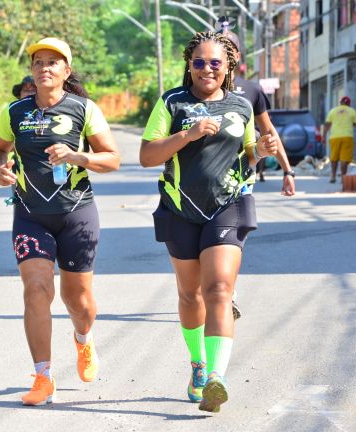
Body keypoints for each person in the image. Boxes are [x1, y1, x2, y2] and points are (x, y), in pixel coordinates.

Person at [139, 31, 277, 413]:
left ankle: (216, 377)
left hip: (227, 205)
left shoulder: (240, 105)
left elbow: (248, 155)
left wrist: (260, 152)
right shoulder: (172, 102)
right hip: (180, 208)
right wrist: (188, 133)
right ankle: (198, 364)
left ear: (228, 65)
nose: (207, 69)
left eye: (215, 62)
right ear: (189, 65)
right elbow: (148, 156)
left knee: (217, 288)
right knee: (190, 294)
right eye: (199, 62)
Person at [0, 37, 120, 406]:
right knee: (36, 290)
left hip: (77, 212)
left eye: (53, 62)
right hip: (30, 215)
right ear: (31, 70)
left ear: (66, 70)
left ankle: (83, 339)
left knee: (78, 300)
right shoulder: (14, 112)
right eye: (38, 62)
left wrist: (78, 156)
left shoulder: (83, 108)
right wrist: (0, 169)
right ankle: (43, 377)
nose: (44, 67)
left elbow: (112, 158)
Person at [220, 23, 296, 321]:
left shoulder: (251, 90)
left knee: (232, 242)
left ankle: (228, 294)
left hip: (240, 180)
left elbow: (269, 131)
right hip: (198, 185)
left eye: (227, 48)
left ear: (237, 55)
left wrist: (288, 171)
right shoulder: (193, 89)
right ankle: (215, 290)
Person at [323, 96, 356, 183]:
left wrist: (323, 136)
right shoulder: (352, 111)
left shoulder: (333, 111)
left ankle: (333, 176)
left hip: (334, 137)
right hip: (347, 137)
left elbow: (327, 125)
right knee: (344, 158)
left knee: (334, 157)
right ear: (349, 104)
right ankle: (343, 177)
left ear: (340, 102)